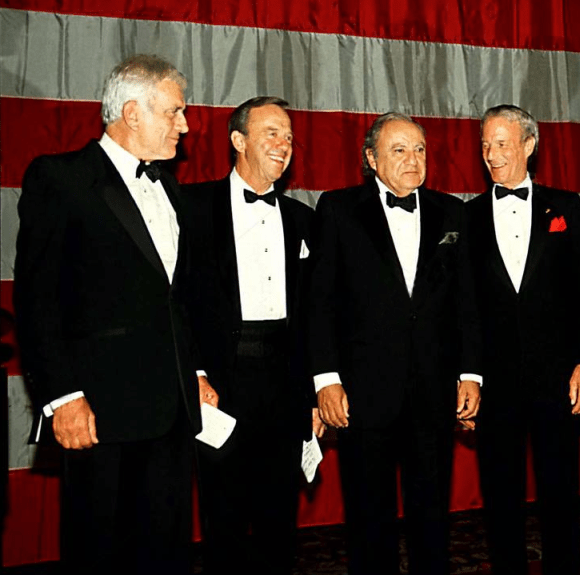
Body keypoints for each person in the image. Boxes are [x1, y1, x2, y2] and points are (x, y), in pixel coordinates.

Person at [14, 54, 202, 575]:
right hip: (100, 412)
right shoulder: (61, 178)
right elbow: (36, 299)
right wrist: (62, 397)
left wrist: (197, 373)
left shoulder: (169, 188)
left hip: (172, 411)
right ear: (132, 112)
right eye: (175, 111)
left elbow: (175, 299)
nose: (185, 125)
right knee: (99, 552)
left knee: (164, 553)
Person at [307, 112, 482, 575]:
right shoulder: (338, 209)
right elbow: (319, 301)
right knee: (369, 519)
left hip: (434, 390)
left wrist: (470, 373)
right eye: (399, 150)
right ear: (371, 158)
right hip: (363, 394)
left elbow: (466, 301)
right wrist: (325, 379)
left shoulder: (452, 212)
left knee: (433, 516)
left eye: (419, 150)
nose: (412, 160)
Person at [183, 96, 320, 574]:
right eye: (271, 133)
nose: (284, 144)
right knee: (222, 517)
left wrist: (312, 394)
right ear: (238, 140)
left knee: (279, 520)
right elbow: (174, 299)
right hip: (221, 381)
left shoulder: (303, 219)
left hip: (285, 381)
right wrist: (195, 372)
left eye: (288, 136)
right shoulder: (191, 207)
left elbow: (312, 316)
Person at [466, 104, 580, 575]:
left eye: (502, 143)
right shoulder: (467, 216)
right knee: (500, 500)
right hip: (494, 383)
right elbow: (464, 307)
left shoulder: (566, 206)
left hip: (557, 379)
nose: (491, 154)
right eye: (485, 145)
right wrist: (468, 375)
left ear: (529, 145)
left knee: (561, 496)